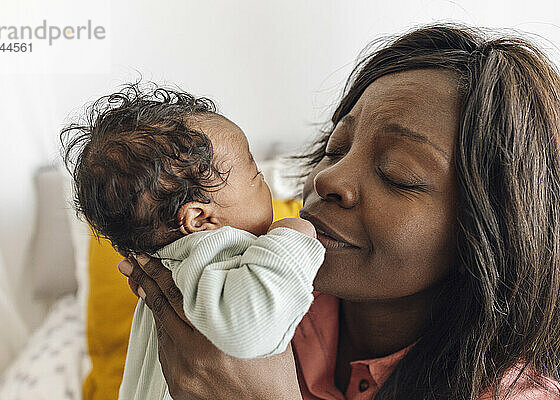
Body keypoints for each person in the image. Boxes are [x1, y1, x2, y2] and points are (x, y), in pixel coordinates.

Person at [118, 24, 560, 399]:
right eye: (336, 149)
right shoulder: (243, 291)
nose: (327, 180)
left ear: (494, 231)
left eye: (397, 173)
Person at [60, 87, 326, 399]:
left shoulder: (174, 266)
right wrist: (292, 236)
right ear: (199, 219)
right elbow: (248, 328)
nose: (264, 186)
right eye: (257, 177)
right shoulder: (211, 255)